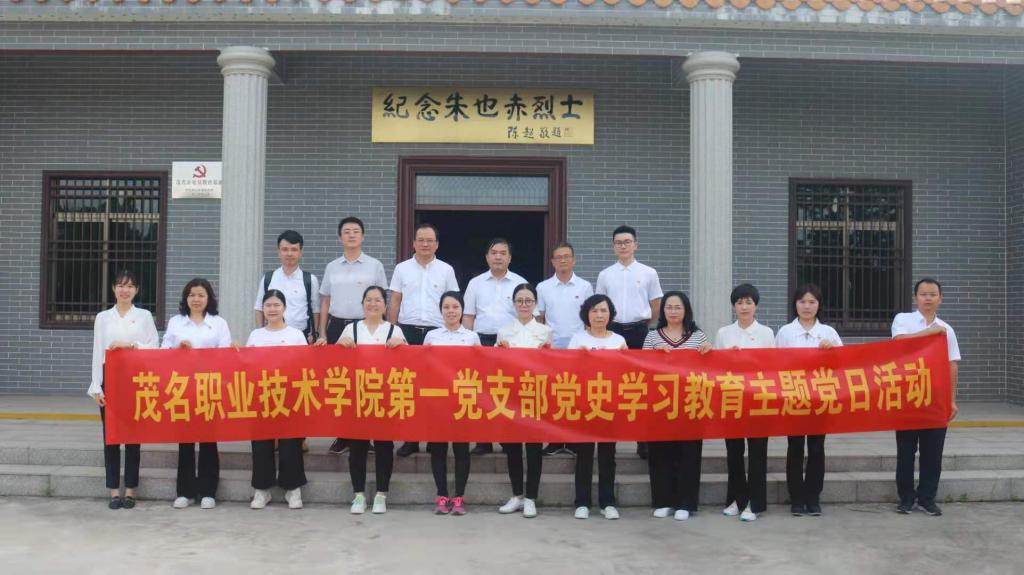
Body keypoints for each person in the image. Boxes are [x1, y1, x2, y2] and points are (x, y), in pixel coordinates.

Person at [315, 217, 389, 456]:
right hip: (338, 327)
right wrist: (323, 331)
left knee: (367, 382)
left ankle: (365, 436)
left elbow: (382, 299)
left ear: (363, 236)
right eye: (346, 231)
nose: (351, 235)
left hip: (365, 327)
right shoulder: (332, 267)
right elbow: (325, 301)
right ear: (340, 238)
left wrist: (385, 328)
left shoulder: (374, 265)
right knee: (341, 383)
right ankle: (343, 435)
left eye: (356, 231)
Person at [89, 269, 159, 510]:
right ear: (113, 289)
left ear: (136, 290)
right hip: (110, 381)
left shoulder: (144, 316)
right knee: (110, 437)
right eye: (120, 285)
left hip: (136, 381)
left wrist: (130, 345)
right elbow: (98, 352)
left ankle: (130, 490)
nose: (124, 290)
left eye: (129, 286)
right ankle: (113, 491)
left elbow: (154, 347)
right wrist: (96, 386)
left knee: (132, 437)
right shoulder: (103, 318)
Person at [891, 277, 960, 516]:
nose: (928, 298)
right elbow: (899, 343)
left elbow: (952, 364)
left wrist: (951, 399)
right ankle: (906, 498)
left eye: (933, 294)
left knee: (933, 453)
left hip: (935, 399)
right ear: (915, 298)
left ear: (941, 299)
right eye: (923, 294)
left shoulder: (947, 329)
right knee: (906, 452)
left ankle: (927, 498)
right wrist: (930, 333)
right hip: (908, 396)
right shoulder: (903, 320)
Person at [389, 223, 459, 457]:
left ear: (437, 244)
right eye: (421, 240)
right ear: (413, 243)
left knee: (436, 387)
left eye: (430, 240)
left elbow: (453, 301)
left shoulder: (446, 270)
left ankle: (434, 437)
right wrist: (393, 330)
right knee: (410, 386)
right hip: (407, 331)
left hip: (437, 333)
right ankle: (411, 439)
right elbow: (395, 301)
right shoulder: (402, 269)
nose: (425, 244)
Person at [162, 278, 232, 510]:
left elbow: (225, 355)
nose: (196, 299)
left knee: (208, 440)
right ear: (186, 298)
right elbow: (162, 353)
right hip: (182, 388)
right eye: (192, 295)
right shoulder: (176, 322)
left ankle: (208, 491)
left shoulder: (218, 323)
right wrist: (177, 350)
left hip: (209, 387)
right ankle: (185, 491)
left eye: (201, 295)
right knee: (185, 441)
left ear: (209, 298)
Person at [642, 291, 712, 522]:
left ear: (686, 310)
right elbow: (642, 368)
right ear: (663, 310)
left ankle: (685, 503)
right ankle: (663, 501)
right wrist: (655, 357)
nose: (672, 311)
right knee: (660, 453)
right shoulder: (653, 337)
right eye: (669, 307)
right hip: (661, 404)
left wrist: (708, 352)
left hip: (690, 403)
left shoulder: (698, 336)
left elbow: (708, 369)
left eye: (677, 307)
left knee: (689, 454)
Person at [595, 225, 663, 460]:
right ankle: (609, 440)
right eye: (618, 242)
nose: (622, 246)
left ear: (636, 244)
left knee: (641, 387)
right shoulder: (605, 274)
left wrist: (644, 324)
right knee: (611, 385)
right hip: (612, 331)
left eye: (627, 242)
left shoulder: (649, 273)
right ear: (613, 246)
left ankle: (643, 441)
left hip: (639, 331)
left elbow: (656, 304)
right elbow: (599, 305)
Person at [775, 284, 842, 517]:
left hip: (820, 399)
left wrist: (832, 351)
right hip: (793, 398)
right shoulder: (785, 332)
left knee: (816, 448)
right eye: (802, 301)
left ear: (819, 305)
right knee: (794, 448)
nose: (807, 306)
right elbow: (775, 365)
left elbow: (844, 364)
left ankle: (813, 497)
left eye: (812, 302)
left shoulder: (829, 333)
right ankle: (796, 498)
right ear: (795, 304)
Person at [339, 286, 407, 514]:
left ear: (385, 305)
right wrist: (342, 346)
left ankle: (381, 494)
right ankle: (358, 495)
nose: (373, 304)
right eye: (368, 300)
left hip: (384, 397)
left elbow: (408, 364)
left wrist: (402, 347)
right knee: (357, 447)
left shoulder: (394, 330)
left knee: (384, 446)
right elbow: (336, 362)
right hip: (357, 397)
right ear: (362, 304)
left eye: (377, 300)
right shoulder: (351, 329)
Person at [247, 289, 316, 510]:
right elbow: (247, 366)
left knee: (290, 444)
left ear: (284, 308)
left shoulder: (296, 335)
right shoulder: (256, 335)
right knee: (261, 444)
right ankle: (262, 489)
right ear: (263, 309)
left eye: (277, 305)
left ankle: (292, 488)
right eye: (268, 305)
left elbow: (305, 364)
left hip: (289, 396)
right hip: (262, 395)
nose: (272, 309)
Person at [715, 283, 774, 522]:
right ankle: (737, 499)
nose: (744, 307)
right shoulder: (723, 333)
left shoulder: (766, 333)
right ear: (734, 306)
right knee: (734, 452)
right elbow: (717, 368)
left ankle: (755, 503)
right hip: (732, 399)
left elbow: (772, 366)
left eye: (748, 302)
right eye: (739, 303)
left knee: (758, 452)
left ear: (756, 305)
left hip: (758, 399)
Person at [464, 238, 527, 456]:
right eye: (494, 253)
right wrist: (468, 343)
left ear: (510, 258)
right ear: (487, 257)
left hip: (510, 344)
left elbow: (527, 315)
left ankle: (507, 438)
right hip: (482, 341)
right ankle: (483, 440)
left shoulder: (520, 283)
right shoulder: (476, 283)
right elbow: (468, 316)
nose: (498, 256)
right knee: (482, 391)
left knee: (507, 391)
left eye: (503, 253)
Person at [568, 294, 628, 520]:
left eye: (603, 310)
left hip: (610, 405)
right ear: (587, 314)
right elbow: (567, 372)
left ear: (610, 314)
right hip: (585, 404)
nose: (599, 315)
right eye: (594, 311)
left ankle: (608, 502)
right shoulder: (577, 339)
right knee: (583, 454)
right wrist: (578, 359)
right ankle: (582, 502)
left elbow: (627, 372)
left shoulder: (618, 340)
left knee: (607, 455)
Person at [495, 283, 551, 518]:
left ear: (535, 304)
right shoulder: (504, 331)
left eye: (529, 301)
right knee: (513, 449)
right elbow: (494, 364)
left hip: (535, 395)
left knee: (534, 449)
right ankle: (517, 495)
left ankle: (530, 498)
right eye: (520, 300)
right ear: (514, 303)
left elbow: (552, 365)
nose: (524, 305)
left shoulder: (545, 331)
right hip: (511, 396)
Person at [423, 291, 480, 516]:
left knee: (461, 450)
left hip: (462, 400)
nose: (451, 311)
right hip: (438, 400)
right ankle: (442, 495)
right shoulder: (432, 336)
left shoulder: (471, 337)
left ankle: (458, 497)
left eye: (455, 307)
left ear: (462, 310)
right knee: (438, 450)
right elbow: (423, 366)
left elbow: (480, 368)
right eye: (446, 307)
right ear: (440, 310)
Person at [536, 241, 592, 457]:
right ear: (552, 261)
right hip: (553, 349)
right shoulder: (543, 287)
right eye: (558, 257)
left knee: (576, 395)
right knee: (553, 395)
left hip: (578, 350)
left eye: (566, 256)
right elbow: (540, 318)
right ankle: (554, 440)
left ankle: (574, 439)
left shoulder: (584, 287)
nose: (563, 260)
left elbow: (590, 318)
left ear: (574, 260)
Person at [254, 230, 320, 342]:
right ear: (279, 252)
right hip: (272, 336)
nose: (289, 254)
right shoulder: (268, 278)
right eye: (285, 249)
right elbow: (259, 308)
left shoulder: (310, 280)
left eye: (294, 249)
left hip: (301, 337)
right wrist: (261, 333)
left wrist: (314, 334)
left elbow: (316, 310)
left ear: (300, 252)